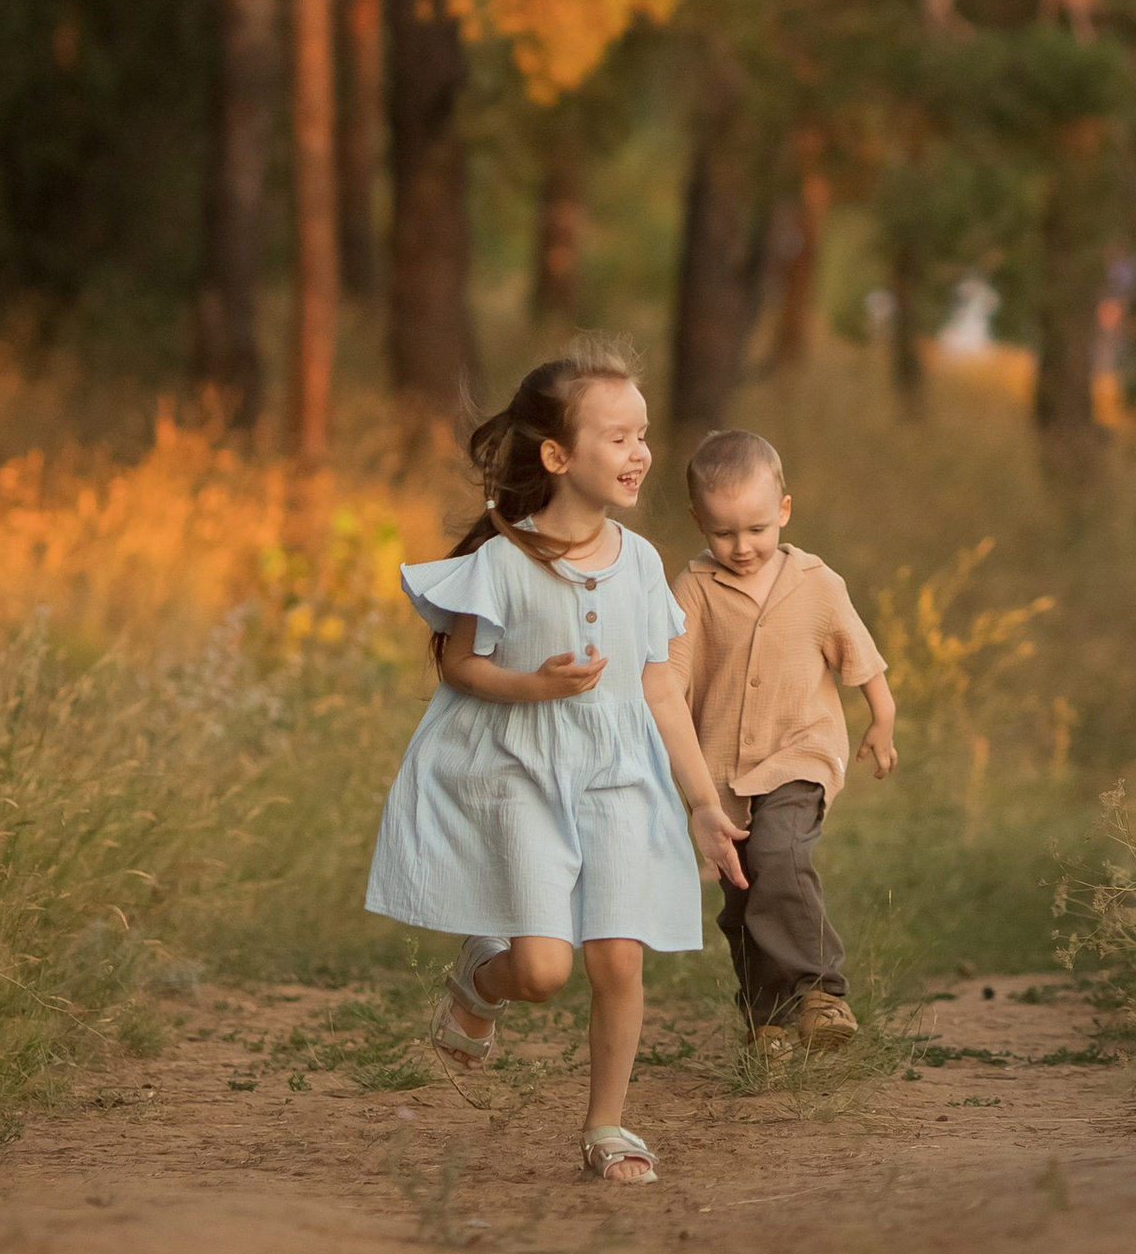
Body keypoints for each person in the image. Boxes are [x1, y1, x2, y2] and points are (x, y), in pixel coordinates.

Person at [365, 341, 748, 1186]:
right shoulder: (502, 562)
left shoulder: (643, 564)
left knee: (619, 956)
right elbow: (460, 667)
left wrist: (700, 802)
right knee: (542, 969)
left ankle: (607, 1126)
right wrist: (534, 686)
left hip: (618, 776)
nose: (640, 452)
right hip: (524, 777)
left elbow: (659, 694)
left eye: (643, 434)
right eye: (618, 436)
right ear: (558, 455)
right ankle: (479, 978)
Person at [670, 426, 897, 1055]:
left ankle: (823, 992)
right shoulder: (692, 590)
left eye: (757, 530)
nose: (742, 547)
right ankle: (767, 1021)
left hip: (802, 752)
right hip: (721, 772)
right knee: (743, 900)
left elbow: (861, 656)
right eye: (723, 533)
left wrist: (882, 717)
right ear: (698, 521)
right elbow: (668, 683)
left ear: (784, 512)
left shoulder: (817, 583)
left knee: (779, 855)